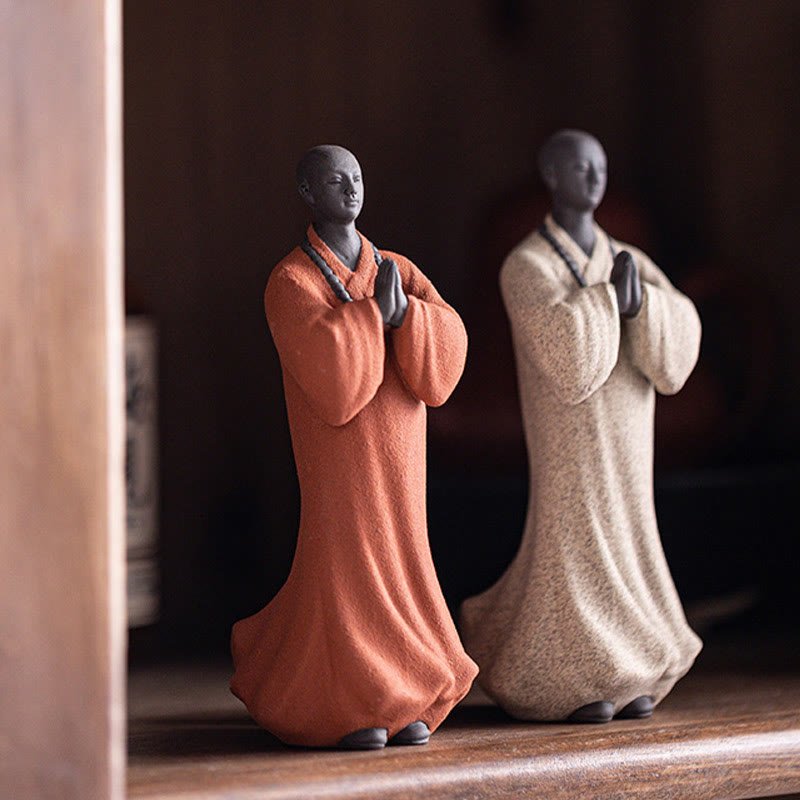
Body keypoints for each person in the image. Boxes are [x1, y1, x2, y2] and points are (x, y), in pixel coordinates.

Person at [231, 145, 477, 749]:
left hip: (401, 452)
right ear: (307, 194)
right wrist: (373, 316)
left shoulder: (396, 266)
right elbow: (331, 380)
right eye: (335, 181)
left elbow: (448, 335)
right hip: (339, 453)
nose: (350, 189)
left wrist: (407, 317)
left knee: (404, 557)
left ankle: (408, 691)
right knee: (348, 563)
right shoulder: (291, 280)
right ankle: (351, 700)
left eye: (357, 178)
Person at [460, 130, 702, 724]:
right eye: (579, 167)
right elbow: (564, 354)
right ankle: (576, 675)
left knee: (631, 532)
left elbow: (681, 323)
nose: (593, 178)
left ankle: (636, 666)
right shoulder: (528, 264)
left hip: (628, 428)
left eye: (599, 167)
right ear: (551, 175)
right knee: (578, 536)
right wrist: (607, 300)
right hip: (568, 433)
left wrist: (642, 305)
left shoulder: (628, 256)